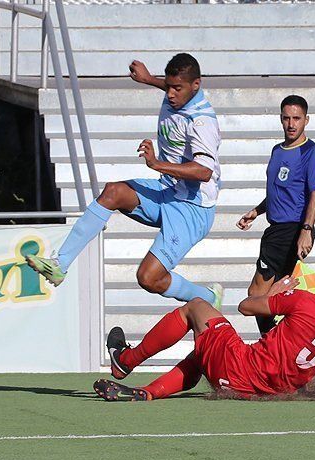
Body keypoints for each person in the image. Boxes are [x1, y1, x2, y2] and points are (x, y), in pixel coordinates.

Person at [25, 53, 224, 323]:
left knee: (148, 278)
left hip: (192, 209)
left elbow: (203, 171)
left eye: (177, 88)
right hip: (167, 192)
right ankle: (60, 265)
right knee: (113, 192)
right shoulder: (176, 93)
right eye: (168, 86)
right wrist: (148, 79)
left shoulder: (202, 122)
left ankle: (207, 296)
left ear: (196, 85)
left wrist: (156, 164)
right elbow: (173, 86)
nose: (171, 94)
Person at [94, 245, 315, 401]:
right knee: (205, 348)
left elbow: (246, 307)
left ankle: (125, 361)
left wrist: (275, 292)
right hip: (261, 393)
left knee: (197, 308)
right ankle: (148, 393)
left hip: (238, 368)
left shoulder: (304, 300)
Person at [236, 95, 315, 335]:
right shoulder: (277, 151)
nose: (291, 124)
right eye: (286, 118)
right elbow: (279, 192)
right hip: (276, 230)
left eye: (297, 118)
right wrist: (256, 211)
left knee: (256, 296)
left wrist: (306, 231)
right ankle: (285, 346)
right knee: (277, 295)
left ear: (306, 120)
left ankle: (273, 348)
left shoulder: (311, 152)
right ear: (280, 119)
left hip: (291, 230)